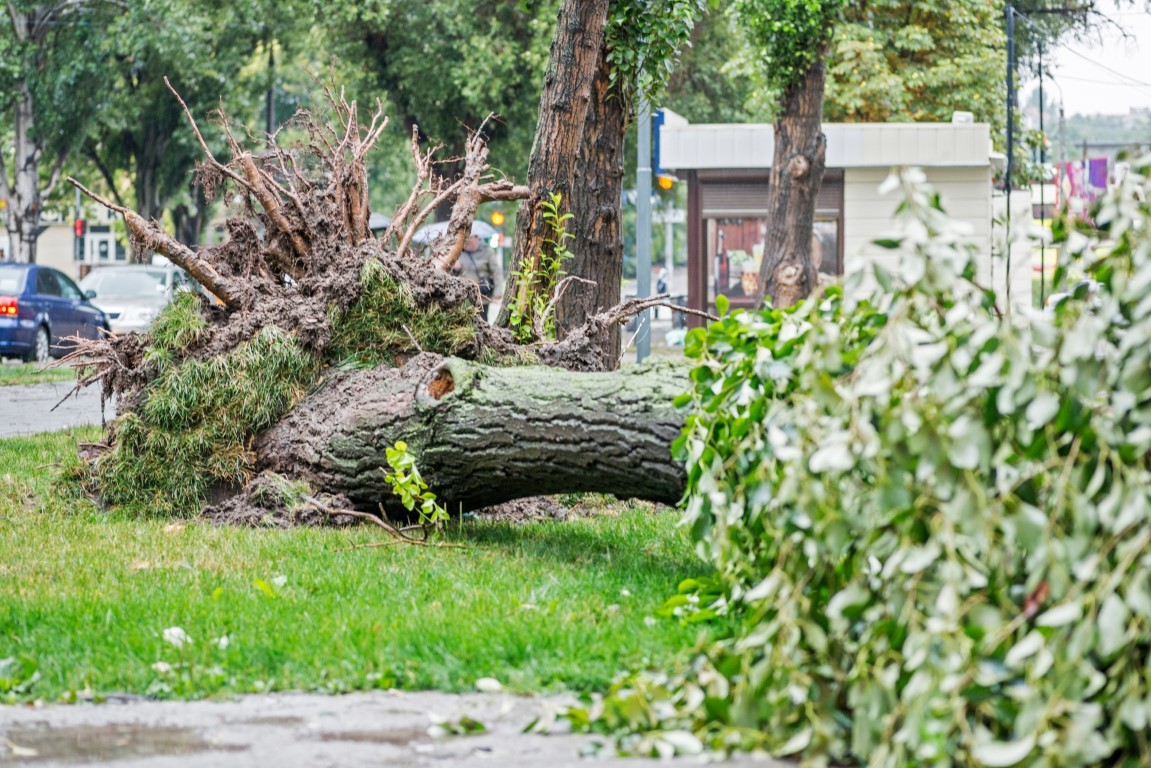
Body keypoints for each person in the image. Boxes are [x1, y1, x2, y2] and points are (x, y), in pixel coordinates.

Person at [453, 233, 504, 309]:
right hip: (463, 297)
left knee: (482, 319)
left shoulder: (487, 251)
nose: (468, 241)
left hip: (482, 297)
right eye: (466, 238)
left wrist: (498, 292)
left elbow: (497, 272)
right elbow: (449, 275)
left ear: (477, 237)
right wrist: (455, 269)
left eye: (470, 238)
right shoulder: (458, 251)